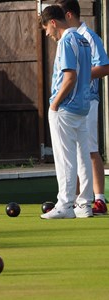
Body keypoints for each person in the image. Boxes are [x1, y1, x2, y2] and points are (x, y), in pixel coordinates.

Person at [55, 0, 109, 215]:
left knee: (89, 148)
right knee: (75, 150)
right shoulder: (69, 38)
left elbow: (104, 66)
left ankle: (99, 198)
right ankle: (76, 199)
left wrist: (79, 78)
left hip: (88, 98)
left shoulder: (88, 36)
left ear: (68, 15)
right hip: (74, 102)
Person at [40, 5, 93, 219]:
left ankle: (65, 204)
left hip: (66, 108)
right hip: (82, 107)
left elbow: (69, 78)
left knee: (65, 158)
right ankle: (85, 204)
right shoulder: (83, 40)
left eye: (46, 28)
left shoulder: (66, 42)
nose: (46, 33)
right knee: (82, 157)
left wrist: (55, 104)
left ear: (53, 22)